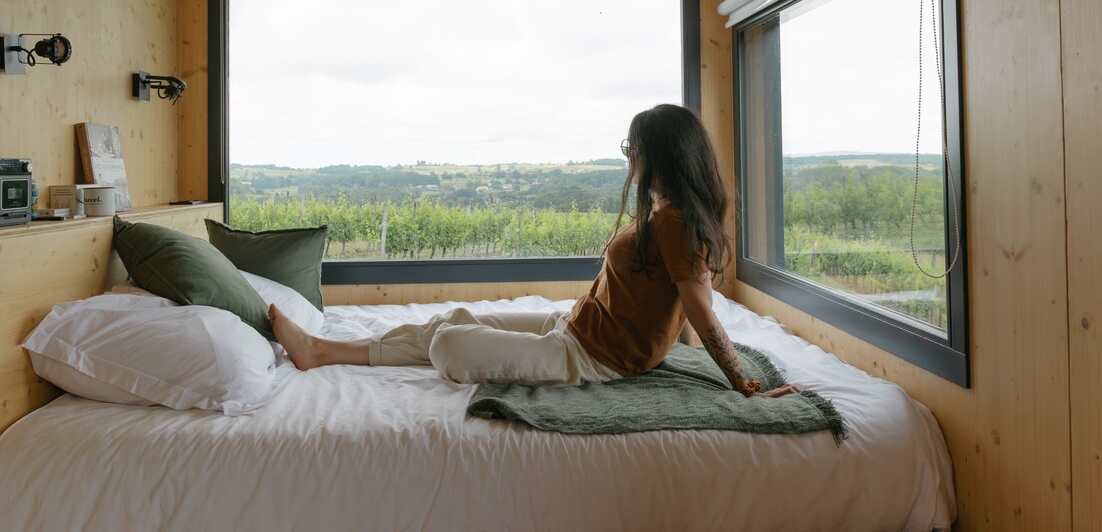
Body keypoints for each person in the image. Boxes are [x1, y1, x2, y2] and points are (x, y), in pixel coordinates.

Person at [270, 104, 800, 399]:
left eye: (630, 147)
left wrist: (743, 384)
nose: (627, 157)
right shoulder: (668, 212)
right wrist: (676, 348)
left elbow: (698, 306)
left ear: (656, 153)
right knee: (452, 318)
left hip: (591, 358)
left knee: (450, 343)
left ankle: (323, 351)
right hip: (571, 328)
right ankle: (321, 351)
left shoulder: (677, 223)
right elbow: (681, 304)